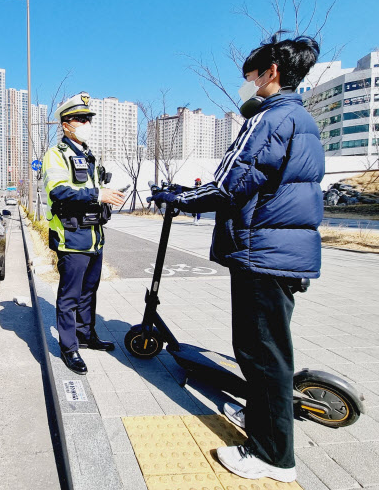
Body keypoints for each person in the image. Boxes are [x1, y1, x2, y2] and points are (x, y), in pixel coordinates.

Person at [151, 35, 323, 482]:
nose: (245, 86)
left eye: (249, 77)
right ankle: (264, 425)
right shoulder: (301, 118)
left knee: (260, 355)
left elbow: (231, 184)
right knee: (269, 351)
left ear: (271, 73)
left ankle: (271, 456)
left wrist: (179, 198)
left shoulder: (267, 119)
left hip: (262, 253)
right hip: (282, 253)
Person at [43, 92, 125, 374]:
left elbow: (93, 191)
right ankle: (69, 348)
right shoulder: (56, 155)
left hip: (94, 237)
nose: (85, 123)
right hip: (72, 236)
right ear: (65, 124)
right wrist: (97, 193)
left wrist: (107, 194)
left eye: (88, 119)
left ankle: (86, 335)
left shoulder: (88, 154)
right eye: (80, 119)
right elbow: (59, 191)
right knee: (69, 295)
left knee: (89, 291)